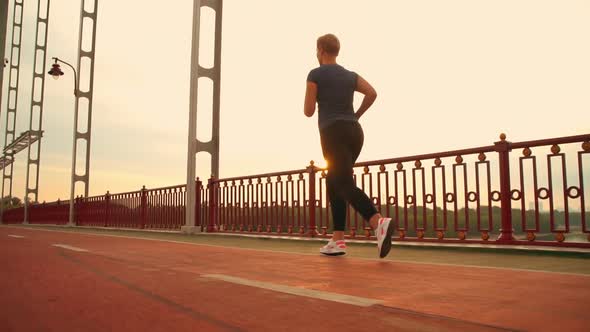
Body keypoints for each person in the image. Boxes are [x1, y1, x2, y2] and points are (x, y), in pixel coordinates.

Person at [304, 33, 394, 258]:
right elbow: (372, 92)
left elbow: (308, 111)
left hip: (332, 132)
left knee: (341, 181)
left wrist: (317, 96)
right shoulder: (349, 75)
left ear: (321, 50)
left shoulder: (315, 74)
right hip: (355, 132)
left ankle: (377, 222)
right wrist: (356, 115)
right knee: (334, 180)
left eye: (317, 51)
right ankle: (338, 240)